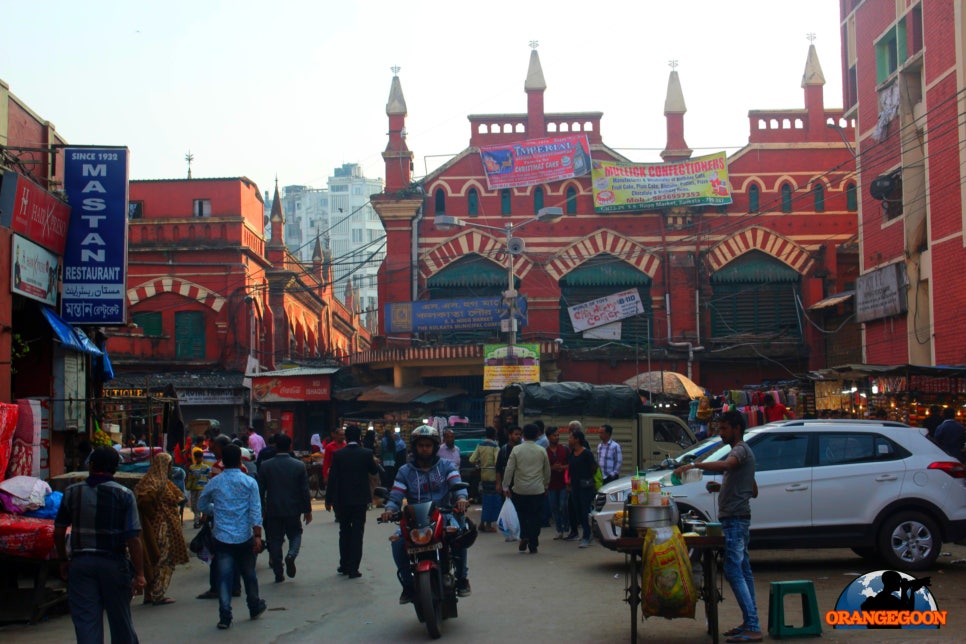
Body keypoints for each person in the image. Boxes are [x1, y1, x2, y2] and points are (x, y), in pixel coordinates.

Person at [675, 409, 761, 643]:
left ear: (736, 429)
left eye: (724, 429)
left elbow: (728, 466)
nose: (721, 433)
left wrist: (694, 466)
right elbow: (752, 490)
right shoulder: (745, 454)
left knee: (734, 571)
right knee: (744, 571)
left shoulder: (740, 450)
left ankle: (753, 625)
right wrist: (722, 488)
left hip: (735, 520)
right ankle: (750, 622)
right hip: (738, 518)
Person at [54, 446, 146, 644]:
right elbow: (133, 537)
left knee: (86, 622)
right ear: (114, 469)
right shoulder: (124, 494)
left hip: (81, 564)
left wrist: (63, 559)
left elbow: (59, 530)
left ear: (91, 466)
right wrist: (139, 573)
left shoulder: (71, 492)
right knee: (121, 620)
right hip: (114, 563)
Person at [381, 425, 471, 604]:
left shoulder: (446, 466)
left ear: (435, 447)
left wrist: (461, 498)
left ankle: (462, 579)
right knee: (397, 543)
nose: (424, 449)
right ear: (415, 447)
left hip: (443, 515)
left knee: (460, 535)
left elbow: (456, 483)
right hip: (415, 519)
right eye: (420, 445)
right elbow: (396, 495)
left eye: (428, 445)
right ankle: (408, 585)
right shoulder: (405, 471)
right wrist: (390, 509)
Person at [197, 444, 266, 630]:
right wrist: (258, 535)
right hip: (245, 536)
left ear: (222, 461)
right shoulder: (249, 482)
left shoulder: (215, 482)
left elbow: (201, 504)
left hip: (221, 537)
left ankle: (225, 616)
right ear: (239, 460)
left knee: (224, 577)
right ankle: (254, 605)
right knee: (249, 574)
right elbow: (255, 510)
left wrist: (215, 510)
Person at [134, 453, 189, 606]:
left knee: (153, 558)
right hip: (162, 527)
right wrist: (156, 514)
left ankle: (150, 594)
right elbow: (145, 502)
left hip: (157, 526)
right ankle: (158, 593)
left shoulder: (152, 480)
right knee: (163, 559)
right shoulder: (156, 482)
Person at [325, 425, 380, 578]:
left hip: (342, 499)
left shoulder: (338, 454)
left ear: (346, 438)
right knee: (357, 532)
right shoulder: (366, 453)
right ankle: (353, 568)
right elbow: (374, 471)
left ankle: (344, 564)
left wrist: (328, 499)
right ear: (360, 438)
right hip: (360, 499)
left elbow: (332, 478)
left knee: (344, 531)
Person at [259, 432, 312, 583]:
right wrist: (307, 510)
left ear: (275, 446)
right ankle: (291, 555)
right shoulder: (298, 465)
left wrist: (261, 508)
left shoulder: (265, 465)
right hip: (293, 508)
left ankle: (278, 571)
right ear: (290, 446)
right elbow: (304, 490)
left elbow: (260, 490)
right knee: (295, 534)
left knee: (274, 540)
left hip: (273, 508)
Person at [502, 423, 551, 554]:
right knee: (536, 516)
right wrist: (546, 485)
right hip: (537, 490)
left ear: (523, 435)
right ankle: (533, 542)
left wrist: (505, 486)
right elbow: (547, 471)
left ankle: (524, 536)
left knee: (522, 515)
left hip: (520, 489)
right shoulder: (542, 450)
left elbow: (509, 469)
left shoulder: (516, 450)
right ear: (537, 435)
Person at [567, 427, 599, 547]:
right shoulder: (572, 453)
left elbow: (594, 467)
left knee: (585, 510)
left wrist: (587, 478)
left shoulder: (587, 453)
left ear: (577, 439)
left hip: (585, 487)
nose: (569, 440)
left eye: (571, 437)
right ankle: (588, 532)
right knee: (578, 510)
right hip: (575, 486)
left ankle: (586, 535)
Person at [470, 426, 500, 532]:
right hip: (492, 475)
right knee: (491, 501)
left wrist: (480, 463)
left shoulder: (480, 445)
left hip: (483, 475)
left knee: (485, 500)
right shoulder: (495, 446)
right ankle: (488, 525)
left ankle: (482, 523)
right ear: (494, 435)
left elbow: (472, 459)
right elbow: (497, 461)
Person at [545, 426, 571, 540]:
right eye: (554, 435)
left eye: (557, 435)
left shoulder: (564, 449)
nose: (557, 437)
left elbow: (571, 464)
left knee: (563, 506)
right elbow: (543, 468)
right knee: (554, 507)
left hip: (563, 483)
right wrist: (552, 468)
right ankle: (559, 529)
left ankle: (566, 528)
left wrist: (563, 467)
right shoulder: (545, 451)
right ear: (548, 437)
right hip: (551, 484)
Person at [186, 447, 211, 528]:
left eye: (200, 457)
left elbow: (209, 477)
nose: (199, 458)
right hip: (194, 489)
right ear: (195, 458)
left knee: (197, 505)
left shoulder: (206, 468)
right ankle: (198, 517)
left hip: (202, 489)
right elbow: (189, 478)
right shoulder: (191, 467)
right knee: (193, 505)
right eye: (197, 457)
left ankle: (197, 521)